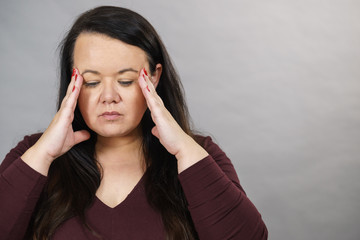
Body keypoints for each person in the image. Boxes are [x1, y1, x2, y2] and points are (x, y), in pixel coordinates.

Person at [0, 6, 268, 240]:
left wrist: (184, 151)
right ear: (72, 83)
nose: (108, 97)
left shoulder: (198, 154)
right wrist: (43, 156)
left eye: (126, 81)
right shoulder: (33, 154)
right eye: (92, 82)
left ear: (153, 78)